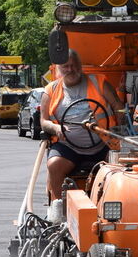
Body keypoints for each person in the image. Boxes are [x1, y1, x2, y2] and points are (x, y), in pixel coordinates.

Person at [38, 49, 124, 201]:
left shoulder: (99, 82)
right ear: (58, 69)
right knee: (54, 165)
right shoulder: (50, 90)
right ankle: (59, 206)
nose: (71, 69)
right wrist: (56, 128)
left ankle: (111, 204)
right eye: (66, 66)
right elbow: (44, 122)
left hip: (104, 144)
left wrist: (120, 128)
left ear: (80, 65)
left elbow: (118, 106)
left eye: (74, 65)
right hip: (68, 148)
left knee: (122, 167)